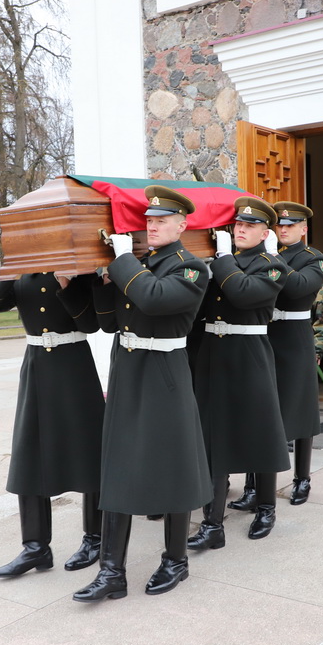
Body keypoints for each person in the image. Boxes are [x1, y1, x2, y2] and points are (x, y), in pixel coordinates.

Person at [73, 185, 212, 602]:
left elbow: (152, 299)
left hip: (164, 373)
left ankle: (176, 560)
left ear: (182, 225)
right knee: (117, 465)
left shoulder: (191, 268)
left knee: (171, 465)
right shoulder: (138, 264)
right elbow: (110, 322)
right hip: (128, 369)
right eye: (148, 221)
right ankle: (112, 571)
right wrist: (99, 280)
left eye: (161, 221)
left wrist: (121, 261)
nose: (152, 226)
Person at [0, 272, 105, 577]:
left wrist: (67, 284)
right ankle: (36, 548)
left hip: (75, 365)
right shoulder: (21, 271)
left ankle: (95, 539)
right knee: (30, 454)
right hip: (36, 365)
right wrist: (10, 267)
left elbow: (91, 324)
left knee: (88, 453)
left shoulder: (80, 269)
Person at [189, 196, 291, 550]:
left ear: (266, 231)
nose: (241, 230)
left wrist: (221, 260)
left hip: (250, 355)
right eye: (238, 225)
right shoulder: (219, 263)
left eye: (249, 226)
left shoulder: (273, 265)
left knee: (258, 433)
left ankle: (266, 507)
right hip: (214, 354)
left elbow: (243, 293)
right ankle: (212, 524)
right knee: (212, 438)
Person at [267, 201, 323, 506]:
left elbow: (297, 288)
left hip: (294, 339)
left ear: (304, 229)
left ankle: (302, 478)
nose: (284, 229)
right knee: (262, 411)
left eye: (290, 225)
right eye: (280, 225)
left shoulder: (314, 259)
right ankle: (256, 483)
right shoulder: (267, 253)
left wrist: (268, 259)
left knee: (302, 411)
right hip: (265, 336)